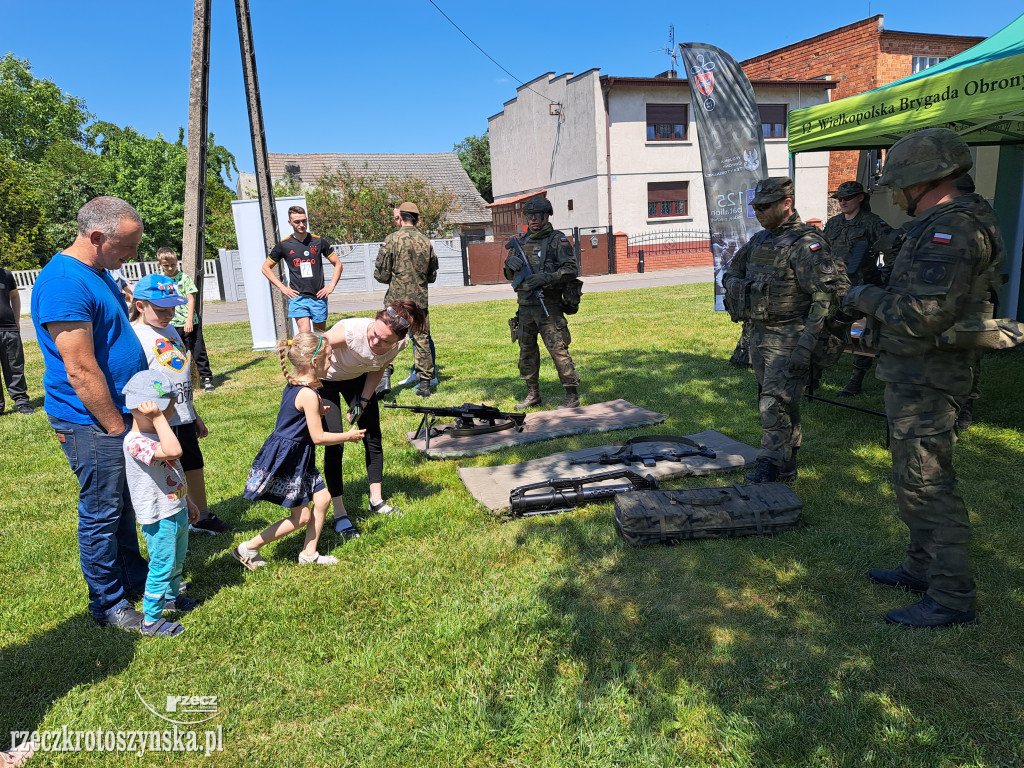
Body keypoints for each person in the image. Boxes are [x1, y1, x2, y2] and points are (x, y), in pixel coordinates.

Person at [844, 128, 1002, 628]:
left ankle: (952, 597)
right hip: (915, 373)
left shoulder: (951, 230)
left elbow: (920, 315)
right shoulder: (938, 223)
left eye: (898, 184)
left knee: (928, 485)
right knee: (913, 479)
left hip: (930, 378)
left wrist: (861, 296)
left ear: (923, 178)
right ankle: (920, 567)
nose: (894, 194)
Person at [30, 196, 150, 631]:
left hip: (116, 414)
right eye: (127, 246)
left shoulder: (97, 273)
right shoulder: (65, 283)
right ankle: (108, 604)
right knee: (102, 511)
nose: (132, 255)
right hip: (91, 421)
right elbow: (79, 369)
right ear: (97, 238)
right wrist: (117, 428)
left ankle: (134, 580)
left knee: (122, 505)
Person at [723, 177, 849, 484]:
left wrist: (806, 345)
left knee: (773, 403)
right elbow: (733, 269)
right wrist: (737, 287)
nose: (759, 213)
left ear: (786, 204)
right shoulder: (760, 241)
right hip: (760, 334)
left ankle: (771, 466)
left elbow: (826, 297)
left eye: (765, 207)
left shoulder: (806, 245)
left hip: (790, 335)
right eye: (756, 208)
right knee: (779, 401)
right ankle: (786, 464)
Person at [234, 332, 366, 569]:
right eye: (329, 356)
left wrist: (317, 413)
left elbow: (295, 418)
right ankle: (248, 548)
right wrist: (348, 436)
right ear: (314, 363)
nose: (332, 361)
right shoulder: (308, 393)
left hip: (298, 457)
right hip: (290, 460)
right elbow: (318, 437)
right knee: (301, 517)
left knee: (323, 499)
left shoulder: (298, 386)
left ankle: (308, 553)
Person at [129, 273, 235, 536]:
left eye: (173, 308)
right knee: (171, 468)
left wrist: (193, 413)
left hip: (183, 414)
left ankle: (202, 515)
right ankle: (176, 520)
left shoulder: (168, 329)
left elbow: (179, 375)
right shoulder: (136, 336)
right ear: (140, 306)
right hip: (161, 418)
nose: (169, 314)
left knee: (194, 463)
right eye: (161, 309)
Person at [320, 300, 426, 534]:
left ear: (397, 341)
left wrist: (364, 401)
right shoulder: (350, 332)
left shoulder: (400, 344)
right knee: (335, 442)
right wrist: (310, 392)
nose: (376, 341)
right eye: (375, 334)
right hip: (325, 379)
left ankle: (376, 501)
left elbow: (378, 367)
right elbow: (311, 350)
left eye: (385, 340)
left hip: (357, 378)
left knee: (372, 436)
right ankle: (339, 513)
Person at [121, 370, 200, 637]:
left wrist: (187, 501)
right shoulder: (135, 442)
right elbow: (174, 452)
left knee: (177, 560)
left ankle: (171, 597)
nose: (172, 411)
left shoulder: (156, 436)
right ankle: (151, 621)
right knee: (161, 565)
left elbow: (173, 472)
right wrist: (157, 418)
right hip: (159, 516)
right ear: (149, 407)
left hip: (174, 509)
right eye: (169, 406)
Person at [503, 196, 582, 410]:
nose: (534, 219)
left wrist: (547, 278)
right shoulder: (521, 242)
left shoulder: (557, 240)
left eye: (538, 215)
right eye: (530, 216)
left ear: (547, 216)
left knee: (558, 350)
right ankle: (533, 394)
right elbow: (509, 274)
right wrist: (509, 264)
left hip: (549, 307)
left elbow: (571, 269)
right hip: (525, 307)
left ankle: (572, 395)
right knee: (527, 352)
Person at [822, 181, 892, 397]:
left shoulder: (872, 223)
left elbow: (893, 247)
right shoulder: (833, 224)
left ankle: (856, 380)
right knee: (824, 328)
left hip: (863, 289)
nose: (842, 202)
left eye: (847, 198)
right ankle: (813, 375)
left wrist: (887, 278)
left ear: (861, 198)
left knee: (867, 335)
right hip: (835, 288)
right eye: (840, 199)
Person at [373, 202, 439, 397]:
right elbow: (432, 275)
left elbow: (381, 275)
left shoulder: (392, 240)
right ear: (416, 219)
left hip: (396, 300)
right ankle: (425, 383)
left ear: (400, 218)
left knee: (388, 337)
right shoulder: (426, 241)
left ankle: (384, 376)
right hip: (419, 300)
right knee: (421, 339)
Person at [261, 206, 342, 334]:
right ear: (290, 223)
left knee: (320, 336)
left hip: (318, 296)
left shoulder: (319, 241)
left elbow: (338, 264)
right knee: (305, 335)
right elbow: (266, 268)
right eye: (297, 222)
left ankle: (320, 355)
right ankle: (307, 354)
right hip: (298, 298)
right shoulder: (284, 245)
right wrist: (283, 288)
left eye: (304, 221)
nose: (302, 225)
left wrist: (331, 286)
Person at [157, 247, 215, 393]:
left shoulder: (184, 278)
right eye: (166, 266)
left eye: (173, 265)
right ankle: (176, 381)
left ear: (177, 263)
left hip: (190, 323)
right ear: (160, 265)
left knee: (198, 350)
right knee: (174, 353)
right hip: (171, 324)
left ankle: (207, 379)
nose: (170, 268)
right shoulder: (161, 282)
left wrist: (189, 320)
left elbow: (190, 299)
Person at [0, 267, 34, 415]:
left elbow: (14, 296)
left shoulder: (6, 274)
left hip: (9, 328)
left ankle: (22, 402)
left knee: (15, 367)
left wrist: (17, 319)